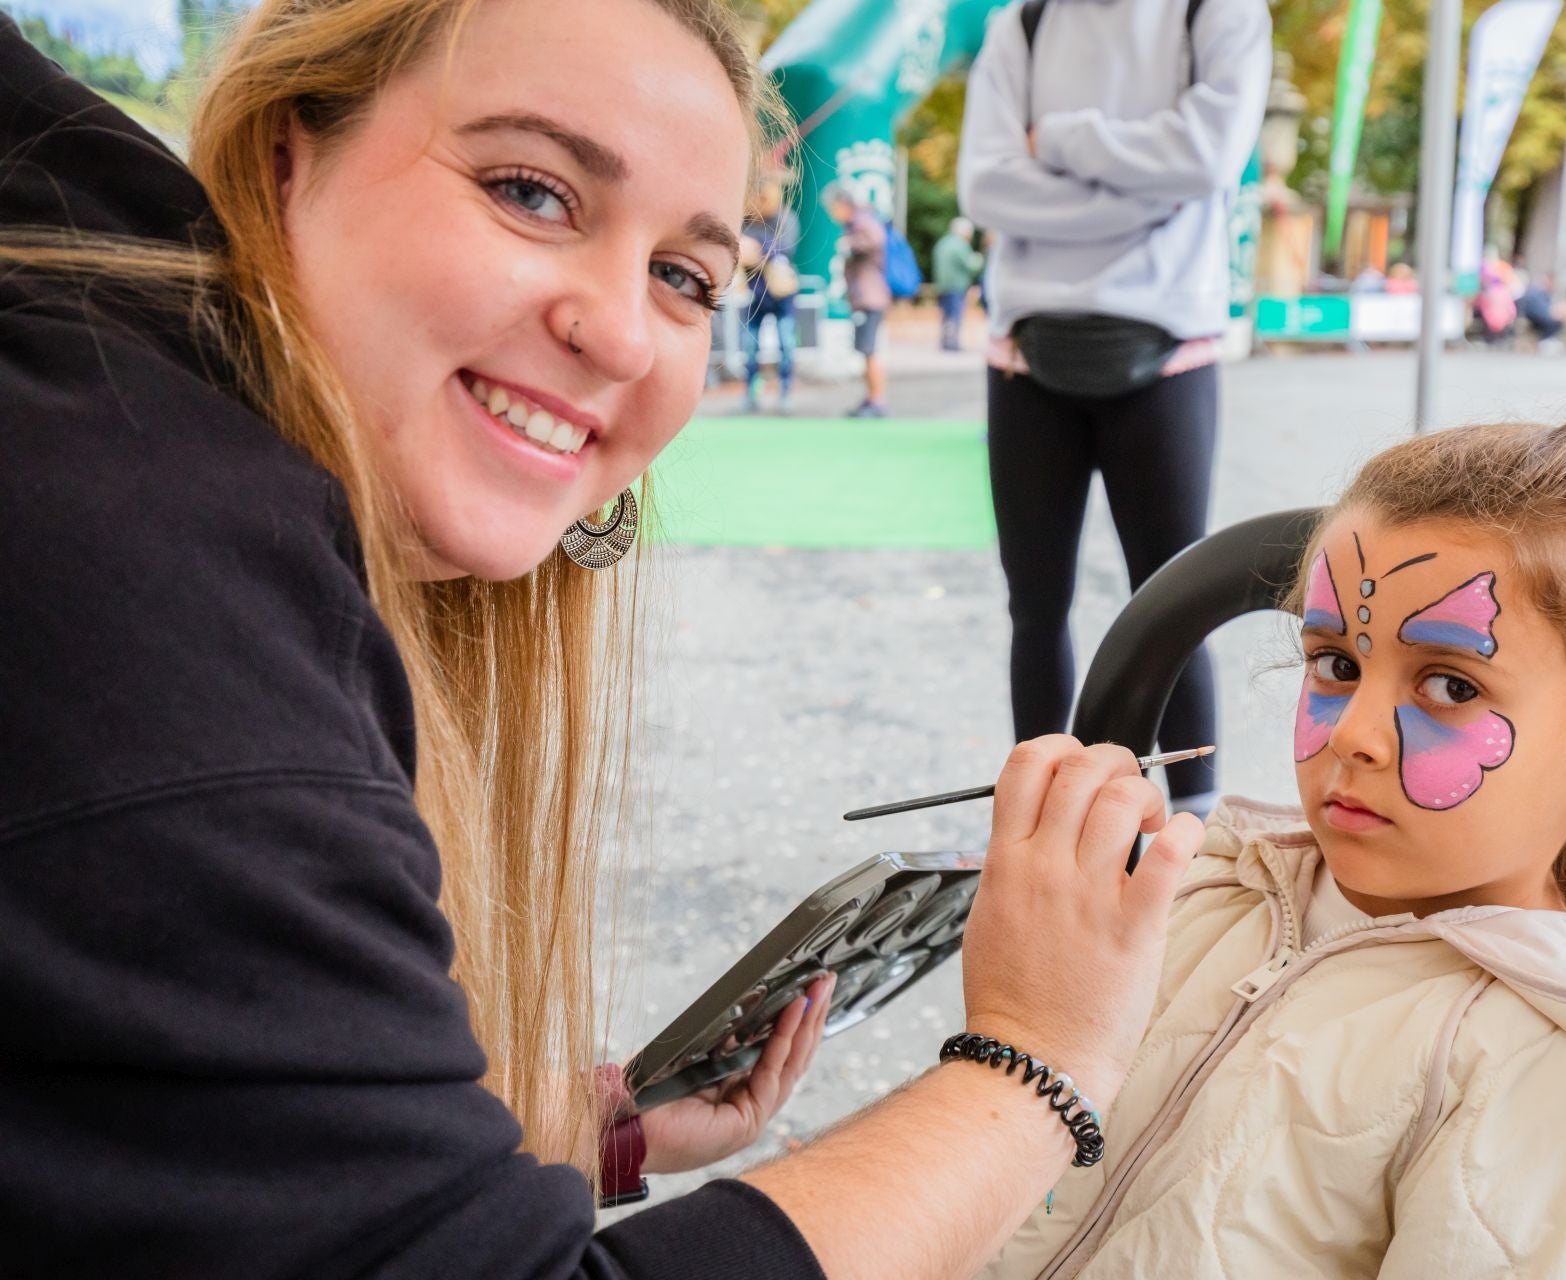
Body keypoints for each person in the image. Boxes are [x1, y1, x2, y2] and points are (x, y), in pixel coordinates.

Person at [0, 7, 1210, 1276]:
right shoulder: (147, 566)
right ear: (286, 154)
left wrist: (555, 1131)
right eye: (532, 191)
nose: (624, 334)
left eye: (687, 277)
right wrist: (1032, 1060)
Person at [983, 414, 1566, 1279]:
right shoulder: (1202, 882)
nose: (1354, 735)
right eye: (1336, 664)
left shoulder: (1529, 1065)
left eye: (1451, 685)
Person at [958, 0, 1272, 821]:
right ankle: (1034, 813)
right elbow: (985, 184)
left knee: (1176, 600)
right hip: (1027, 356)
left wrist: (1058, 142)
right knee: (1035, 604)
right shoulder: (1021, 22)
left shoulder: (1220, 12)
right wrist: (1143, 193)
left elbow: (1210, 156)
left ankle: (1195, 824)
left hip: (1169, 353)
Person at [824, 182, 891, 418]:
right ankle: (871, 399)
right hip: (863, 297)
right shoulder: (857, 223)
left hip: (870, 298)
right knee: (865, 350)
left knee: (869, 350)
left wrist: (850, 245)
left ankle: (878, 401)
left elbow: (875, 241)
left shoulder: (863, 222)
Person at [739, 177, 799, 414]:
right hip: (755, 292)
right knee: (750, 345)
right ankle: (750, 393)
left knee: (786, 343)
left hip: (781, 292)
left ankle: (785, 392)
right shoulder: (746, 221)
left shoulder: (786, 219)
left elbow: (785, 249)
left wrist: (758, 248)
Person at [933, 215, 985, 351]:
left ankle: (945, 341)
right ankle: (952, 343)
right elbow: (971, 265)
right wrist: (979, 258)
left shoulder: (943, 243)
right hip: (956, 286)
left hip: (942, 285)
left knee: (945, 315)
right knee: (955, 315)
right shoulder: (960, 245)